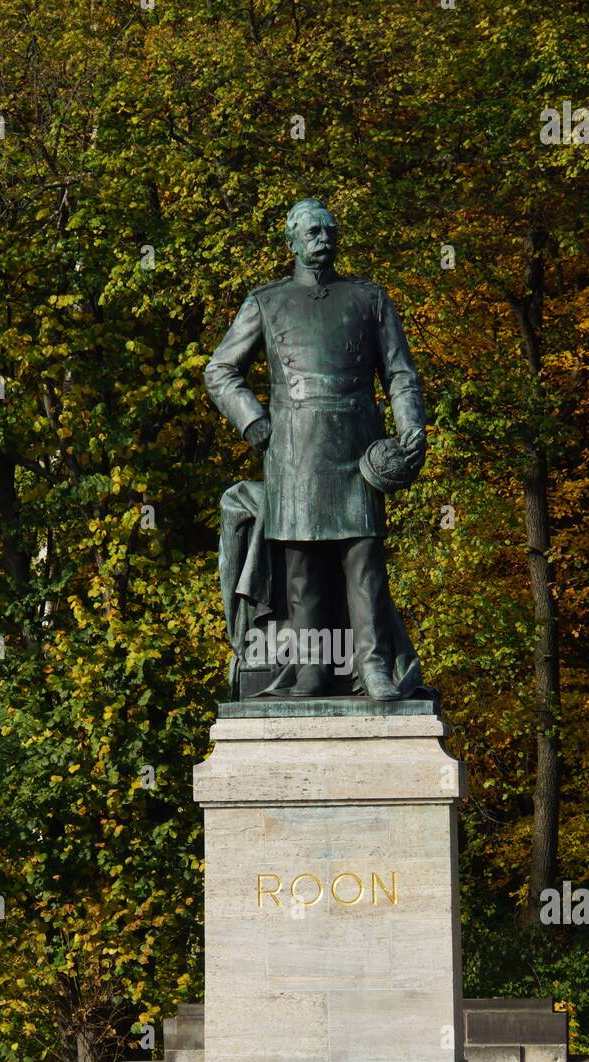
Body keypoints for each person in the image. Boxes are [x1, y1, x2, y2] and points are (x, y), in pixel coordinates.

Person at [204, 197, 426, 701]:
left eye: (328, 230)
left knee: (363, 559)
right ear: (291, 241)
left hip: (356, 445)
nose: (322, 238)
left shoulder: (369, 299)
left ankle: (372, 668)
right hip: (293, 448)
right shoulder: (266, 301)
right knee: (300, 566)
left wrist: (411, 432)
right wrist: (251, 418)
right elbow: (219, 370)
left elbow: (400, 374)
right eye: (312, 231)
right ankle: (311, 673)